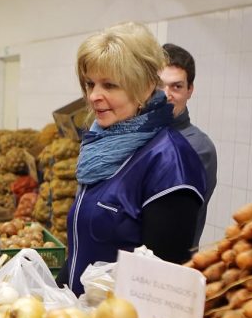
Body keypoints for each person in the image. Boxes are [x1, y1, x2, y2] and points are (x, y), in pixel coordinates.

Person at [58, 22, 207, 297]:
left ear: (146, 86)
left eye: (110, 85)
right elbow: (83, 246)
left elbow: (160, 284)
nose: (93, 96)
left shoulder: (170, 162)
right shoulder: (100, 149)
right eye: (90, 84)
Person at [161, 43, 217, 248]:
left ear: (190, 90)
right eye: (160, 85)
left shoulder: (197, 147)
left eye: (176, 86)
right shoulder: (139, 136)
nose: (167, 94)